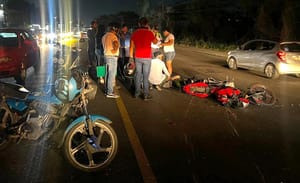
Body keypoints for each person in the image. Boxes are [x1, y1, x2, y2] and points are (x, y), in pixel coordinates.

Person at [129, 17, 158, 100]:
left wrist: (131, 57)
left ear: (139, 24)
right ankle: (145, 95)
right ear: (147, 24)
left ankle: (136, 93)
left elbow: (131, 46)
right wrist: (152, 32)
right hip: (147, 57)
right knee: (145, 76)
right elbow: (155, 42)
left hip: (137, 57)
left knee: (138, 75)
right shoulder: (150, 33)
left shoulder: (135, 33)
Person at [102, 23, 120, 98]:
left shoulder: (104, 36)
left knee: (107, 74)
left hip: (106, 56)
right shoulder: (113, 36)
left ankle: (107, 90)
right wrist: (115, 50)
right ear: (114, 30)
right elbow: (116, 44)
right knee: (111, 75)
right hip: (112, 57)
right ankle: (110, 92)